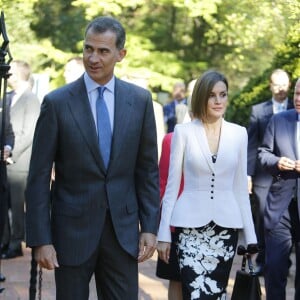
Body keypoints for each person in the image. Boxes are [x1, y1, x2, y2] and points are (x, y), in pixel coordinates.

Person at [25, 16, 160, 300]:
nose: (93, 58)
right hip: (70, 234)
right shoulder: (57, 103)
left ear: (121, 54)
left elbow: (147, 170)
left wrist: (149, 226)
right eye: (88, 49)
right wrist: (40, 239)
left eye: (103, 51)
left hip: (122, 234)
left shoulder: (140, 101)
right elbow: (38, 175)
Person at [157, 70, 257, 299]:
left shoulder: (239, 134)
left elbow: (241, 191)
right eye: (212, 95)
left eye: (223, 94)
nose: (218, 100)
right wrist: (163, 234)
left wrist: (251, 239)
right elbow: (171, 188)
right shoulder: (183, 132)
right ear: (202, 97)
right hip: (189, 230)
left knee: (217, 292)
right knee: (194, 292)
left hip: (225, 231)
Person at [247, 69, 293, 274]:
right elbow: (252, 145)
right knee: (265, 217)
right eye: (277, 84)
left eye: (285, 84)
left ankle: (282, 261)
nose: (281, 88)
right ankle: (263, 261)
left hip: (291, 178)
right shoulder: (258, 111)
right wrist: (248, 175)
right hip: (264, 176)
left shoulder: (296, 107)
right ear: (270, 86)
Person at [258, 78, 300, 300]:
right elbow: (263, 153)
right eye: (297, 93)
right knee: (274, 269)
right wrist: (276, 162)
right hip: (279, 208)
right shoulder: (279, 120)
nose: (298, 99)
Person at [1, 60, 40, 260]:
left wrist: (10, 152)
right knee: (3, 204)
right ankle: (5, 241)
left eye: (11, 72)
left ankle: (16, 245)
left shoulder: (31, 99)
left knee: (17, 206)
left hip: (20, 163)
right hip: (5, 161)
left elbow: (30, 132)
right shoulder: (6, 97)